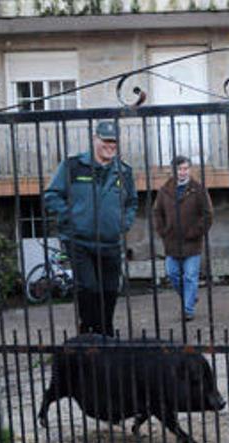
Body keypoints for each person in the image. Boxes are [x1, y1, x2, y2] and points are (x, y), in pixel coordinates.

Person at [44, 120, 138, 336]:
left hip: (110, 241)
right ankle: (89, 332)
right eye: (106, 140)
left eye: (114, 141)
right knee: (88, 288)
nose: (110, 145)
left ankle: (105, 333)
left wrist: (123, 223)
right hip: (79, 241)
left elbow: (132, 201)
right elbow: (52, 195)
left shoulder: (123, 171)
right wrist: (72, 217)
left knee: (109, 291)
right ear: (95, 139)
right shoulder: (73, 166)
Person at [152, 155, 213, 322]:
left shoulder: (198, 189)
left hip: (192, 242)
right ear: (173, 171)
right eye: (179, 169)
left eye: (186, 168)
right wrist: (163, 230)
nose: (183, 172)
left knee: (190, 276)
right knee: (173, 274)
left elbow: (208, 214)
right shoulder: (165, 190)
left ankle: (188, 309)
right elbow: (157, 212)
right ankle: (190, 297)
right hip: (171, 242)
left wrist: (196, 231)